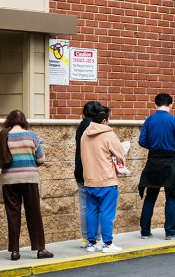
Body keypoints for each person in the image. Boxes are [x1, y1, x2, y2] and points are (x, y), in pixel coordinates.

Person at [0, 110, 53, 260]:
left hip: (9, 180)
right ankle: (40, 249)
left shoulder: (3, 136)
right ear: (23, 121)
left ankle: (14, 251)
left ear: (9, 120)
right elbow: (41, 159)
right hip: (29, 179)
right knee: (34, 214)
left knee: (12, 215)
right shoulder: (31, 135)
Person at [138, 93, 175, 240]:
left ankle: (145, 231)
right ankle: (170, 231)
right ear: (171, 105)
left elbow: (142, 142)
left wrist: (154, 146)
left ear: (155, 105)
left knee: (150, 196)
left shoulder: (149, 120)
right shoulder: (173, 120)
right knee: (172, 196)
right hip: (169, 162)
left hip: (153, 161)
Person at [81, 106, 126, 253]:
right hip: (107, 180)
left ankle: (91, 243)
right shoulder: (109, 134)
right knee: (107, 213)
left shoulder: (84, 134)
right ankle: (107, 243)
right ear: (104, 120)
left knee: (91, 212)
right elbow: (120, 155)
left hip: (89, 180)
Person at [75, 101, 107, 248]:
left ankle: (85, 238)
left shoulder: (80, 127)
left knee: (84, 206)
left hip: (80, 170)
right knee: (99, 205)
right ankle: (97, 237)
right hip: (94, 171)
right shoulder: (96, 128)